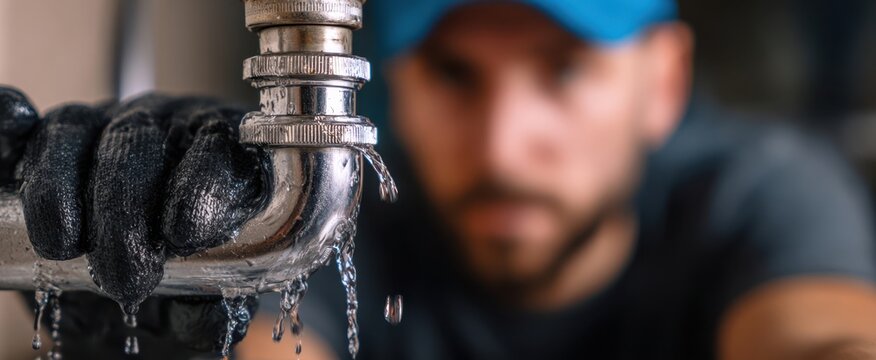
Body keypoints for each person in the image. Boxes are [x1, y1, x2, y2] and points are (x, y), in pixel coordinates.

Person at [0, 1, 875, 360]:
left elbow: (822, 341)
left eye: (565, 71)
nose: (503, 145)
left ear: (666, 83)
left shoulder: (762, 192)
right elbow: (277, 343)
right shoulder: (338, 213)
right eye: (454, 74)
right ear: (396, 83)